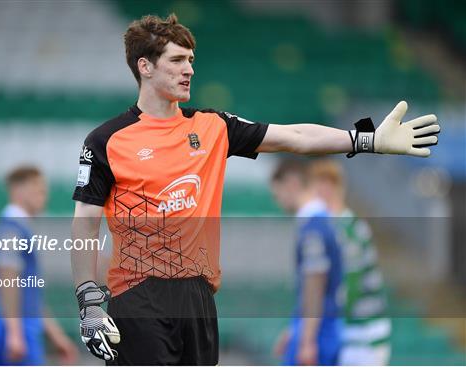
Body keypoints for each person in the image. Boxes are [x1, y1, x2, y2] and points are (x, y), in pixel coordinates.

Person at [70, 14, 439, 365]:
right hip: (138, 295)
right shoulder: (106, 141)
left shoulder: (213, 126)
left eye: (191, 60)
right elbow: (84, 224)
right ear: (145, 67)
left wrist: (367, 140)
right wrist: (88, 302)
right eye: (177, 60)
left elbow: (295, 136)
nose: (189, 70)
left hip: (199, 297)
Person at [0, 166, 78, 365]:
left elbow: (28, 292)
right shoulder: (12, 228)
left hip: (17, 326)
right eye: (39, 191)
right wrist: (15, 333)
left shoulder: (17, 227)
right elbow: (8, 279)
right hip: (17, 328)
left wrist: (56, 335)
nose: (44, 197)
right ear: (19, 191)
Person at [308, 159, 391, 365]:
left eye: (323, 184)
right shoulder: (330, 226)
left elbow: (350, 285)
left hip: (363, 333)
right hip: (349, 330)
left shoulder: (349, 229)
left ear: (335, 187)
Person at [271, 159, 343, 365]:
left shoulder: (313, 227)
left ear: (291, 184)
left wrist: (307, 340)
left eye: (278, 194)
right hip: (320, 327)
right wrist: (294, 330)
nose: (279, 202)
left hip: (320, 331)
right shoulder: (322, 221)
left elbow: (315, 284)